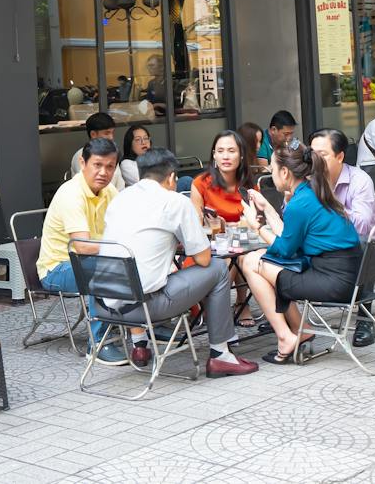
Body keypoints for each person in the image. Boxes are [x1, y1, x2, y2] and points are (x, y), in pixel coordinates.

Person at [102, 148, 259, 377]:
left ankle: (140, 345)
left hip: (105, 304)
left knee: (139, 270)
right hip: (146, 307)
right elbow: (203, 259)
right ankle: (220, 354)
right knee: (217, 269)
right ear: (172, 177)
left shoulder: (120, 198)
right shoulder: (174, 201)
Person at [238, 141, 363, 365]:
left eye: (272, 171)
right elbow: (289, 238)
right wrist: (267, 209)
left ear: (285, 172)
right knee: (258, 259)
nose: (271, 175)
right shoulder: (314, 191)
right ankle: (301, 329)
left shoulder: (300, 202)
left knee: (250, 262)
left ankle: (286, 337)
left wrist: (255, 226)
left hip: (332, 282)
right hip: (350, 276)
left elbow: (285, 250)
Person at [39, 138, 125, 363]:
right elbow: (83, 247)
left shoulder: (110, 192)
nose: (103, 172)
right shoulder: (71, 194)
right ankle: (98, 344)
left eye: (110, 166)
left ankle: (148, 329)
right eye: (97, 165)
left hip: (91, 262)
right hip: (57, 269)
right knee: (107, 269)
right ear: (82, 162)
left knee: (133, 264)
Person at [308, 128, 375, 348]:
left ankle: (364, 319)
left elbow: (360, 224)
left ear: (340, 156)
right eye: (312, 154)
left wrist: (328, 203)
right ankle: (287, 320)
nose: (315, 161)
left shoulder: (360, 180)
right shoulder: (310, 180)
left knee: (362, 243)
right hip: (326, 244)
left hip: (367, 246)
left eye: (322, 155)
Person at [191, 130, 254, 225]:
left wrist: (226, 226)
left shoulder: (250, 185)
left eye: (231, 151)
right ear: (214, 155)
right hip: (211, 238)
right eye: (220, 151)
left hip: (245, 238)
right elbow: (196, 227)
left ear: (241, 155)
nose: (225, 156)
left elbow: (257, 223)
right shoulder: (200, 183)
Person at [69, 111, 125, 190]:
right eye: (107, 133)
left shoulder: (112, 155)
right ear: (93, 134)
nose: (111, 137)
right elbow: (90, 188)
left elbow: (120, 186)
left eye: (112, 133)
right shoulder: (81, 155)